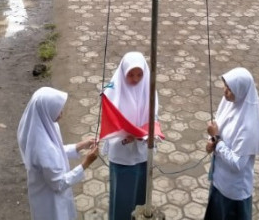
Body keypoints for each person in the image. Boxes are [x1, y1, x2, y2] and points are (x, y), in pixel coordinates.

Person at [17, 86, 98, 220]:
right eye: (58, 110)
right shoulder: (42, 147)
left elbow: (57, 151)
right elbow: (59, 184)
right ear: (46, 110)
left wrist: (79, 146)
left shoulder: (39, 125)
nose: (61, 114)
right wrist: (86, 163)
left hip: (41, 191)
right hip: (50, 202)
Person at [103, 52, 158, 220]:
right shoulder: (112, 92)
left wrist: (144, 133)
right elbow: (109, 123)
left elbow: (154, 118)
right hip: (122, 155)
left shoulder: (148, 89)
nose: (135, 79)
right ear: (123, 72)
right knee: (122, 197)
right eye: (131, 75)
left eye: (140, 74)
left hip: (142, 155)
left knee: (139, 196)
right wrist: (125, 134)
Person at [204, 68, 259, 220]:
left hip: (233, 191)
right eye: (225, 86)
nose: (225, 91)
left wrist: (217, 139)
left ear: (241, 91)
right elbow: (219, 129)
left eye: (230, 89)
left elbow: (238, 163)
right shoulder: (228, 103)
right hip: (219, 180)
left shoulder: (249, 125)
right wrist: (211, 142)